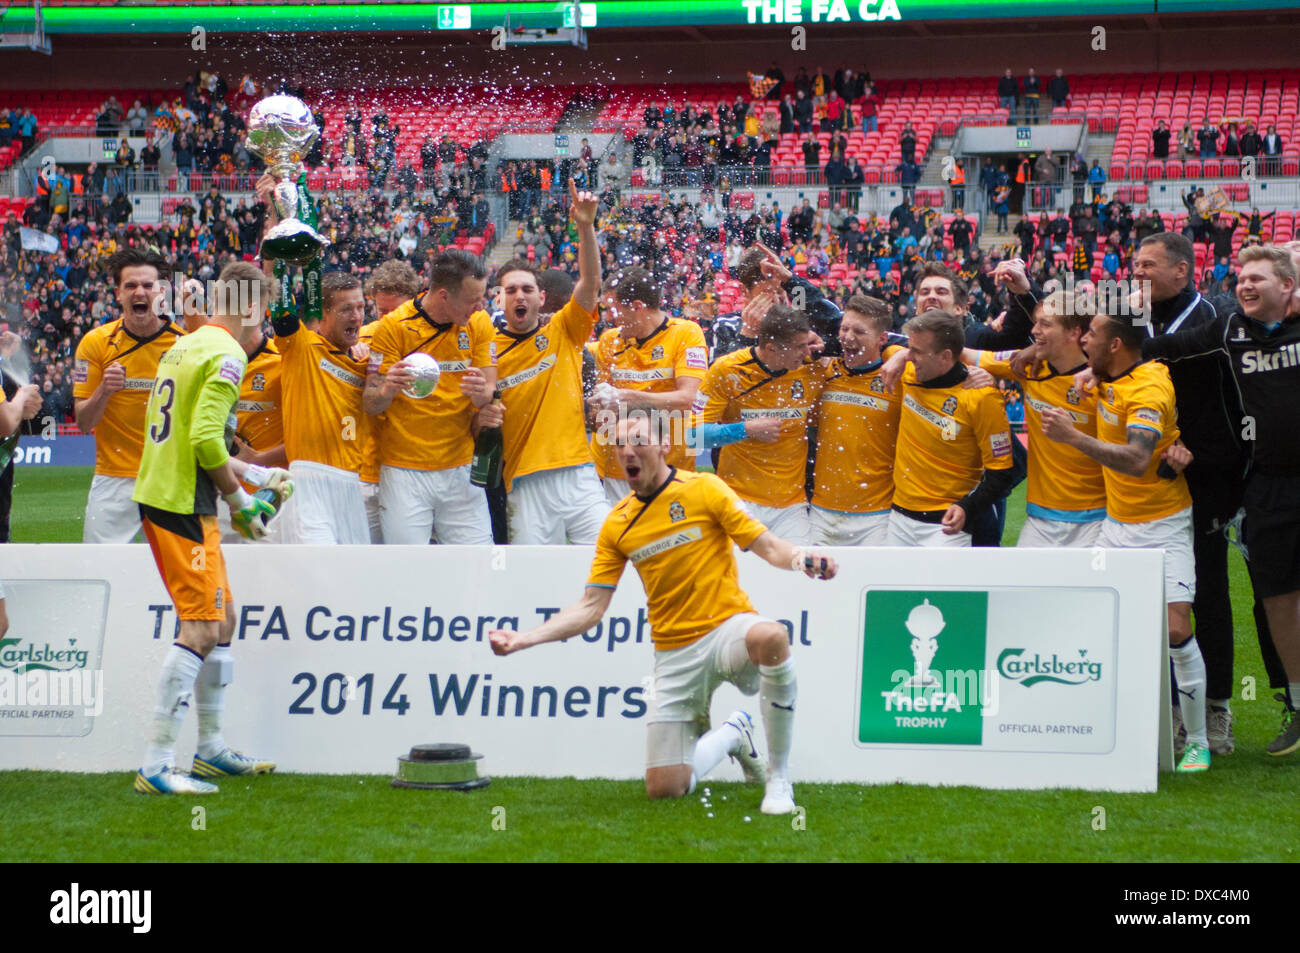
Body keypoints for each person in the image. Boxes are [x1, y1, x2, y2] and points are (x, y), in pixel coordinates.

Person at [489, 413, 838, 815]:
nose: (626, 452)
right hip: (673, 655)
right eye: (619, 445)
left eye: (637, 440)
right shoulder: (617, 524)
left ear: (663, 447)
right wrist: (524, 639)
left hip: (727, 630)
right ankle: (733, 735)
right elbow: (590, 607)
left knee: (772, 636)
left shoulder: (705, 488)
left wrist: (804, 558)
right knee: (666, 789)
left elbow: (771, 548)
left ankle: (778, 778)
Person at [131, 261, 288, 795]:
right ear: (250, 306)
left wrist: (259, 471)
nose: (264, 325)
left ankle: (211, 750)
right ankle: (155, 765)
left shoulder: (189, 343)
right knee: (200, 626)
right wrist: (242, 500)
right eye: (263, 312)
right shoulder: (226, 353)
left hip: (171, 493)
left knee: (223, 620)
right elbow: (202, 440)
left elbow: (204, 439)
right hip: (179, 502)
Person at [1139, 245, 1300, 758]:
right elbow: (1158, 350)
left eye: (1258, 278)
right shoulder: (1227, 328)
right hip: (1254, 479)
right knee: (1265, 594)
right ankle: (1287, 706)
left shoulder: (1243, 317)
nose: (1246, 286)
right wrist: (1090, 366)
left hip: (1249, 474)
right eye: (1241, 279)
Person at [1041, 309, 1209, 773]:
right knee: (1092, 621)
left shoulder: (1149, 389)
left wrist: (1073, 436)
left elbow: (1137, 459)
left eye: (1091, 334)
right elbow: (1100, 378)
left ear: (1115, 345)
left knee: (1176, 630)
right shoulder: (1111, 372)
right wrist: (1089, 379)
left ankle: (1197, 741)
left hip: (1163, 523)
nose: (1083, 339)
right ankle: (1099, 725)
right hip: (1116, 526)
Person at [488, 179, 608, 544]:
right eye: (510, 290)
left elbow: (590, 284)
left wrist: (585, 227)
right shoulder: (487, 351)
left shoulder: (564, 330)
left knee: (610, 562)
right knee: (533, 579)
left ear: (541, 297)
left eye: (526, 289)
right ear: (500, 299)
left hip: (578, 474)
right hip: (523, 482)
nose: (519, 296)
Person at [363, 249, 496, 545]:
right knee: (407, 570)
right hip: (402, 472)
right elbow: (370, 404)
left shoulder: (480, 324)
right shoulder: (393, 327)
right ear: (445, 296)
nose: (480, 306)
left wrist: (481, 395)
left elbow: (489, 392)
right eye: (472, 300)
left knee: (476, 563)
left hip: (461, 469)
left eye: (481, 298)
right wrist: (387, 389)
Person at [967, 293, 1107, 546]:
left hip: (1096, 521)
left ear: (1074, 332)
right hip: (1039, 520)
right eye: (1036, 322)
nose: (1034, 330)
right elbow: (967, 356)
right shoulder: (1029, 367)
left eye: (1045, 324)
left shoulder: (1104, 383)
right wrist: (902, 352)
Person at [74, 248, 185, 543]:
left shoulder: (185, 345)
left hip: (169, 478)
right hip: (114, 477)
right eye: (131, 285)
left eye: (148, 286)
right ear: (118, 294)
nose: (140, 292)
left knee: (177, 578)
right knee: (98, 570)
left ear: (162, 292)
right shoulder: (94, 343)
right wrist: (104, 391)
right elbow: (84, 422)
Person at [886, 309, 1016, 547]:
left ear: (945, 357)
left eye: (916, 351)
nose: (908, 356)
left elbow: (1001, 473)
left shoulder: (982, 398)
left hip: (946, 526)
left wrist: (967, 507)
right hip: (898, 519)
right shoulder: (908, 372)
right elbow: (874, 337)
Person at [694, 306, 820, 543]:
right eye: (799, 347)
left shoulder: (813, 367)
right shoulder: (727, 369)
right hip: (736, 500)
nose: (807, 352)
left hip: (791, 507)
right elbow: (693, 435)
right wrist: (745, 430)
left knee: (800, 574)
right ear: (772, 348)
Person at [588, 267, 707, 506]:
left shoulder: (686, 333)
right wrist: (597, 412)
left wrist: (627, 397)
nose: (610, 318)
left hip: (671, 468)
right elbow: (598, 414)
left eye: (614, 309)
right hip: (617, 471)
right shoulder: (610, 341)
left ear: (637, 307)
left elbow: (690, 399)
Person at [809, 296, 901, 545]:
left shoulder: (899, 380)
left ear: (882, 339)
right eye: (844, 329)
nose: (848, 337)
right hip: (820, 512)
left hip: (877, 517)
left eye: (859, 331)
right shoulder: (823, 371)